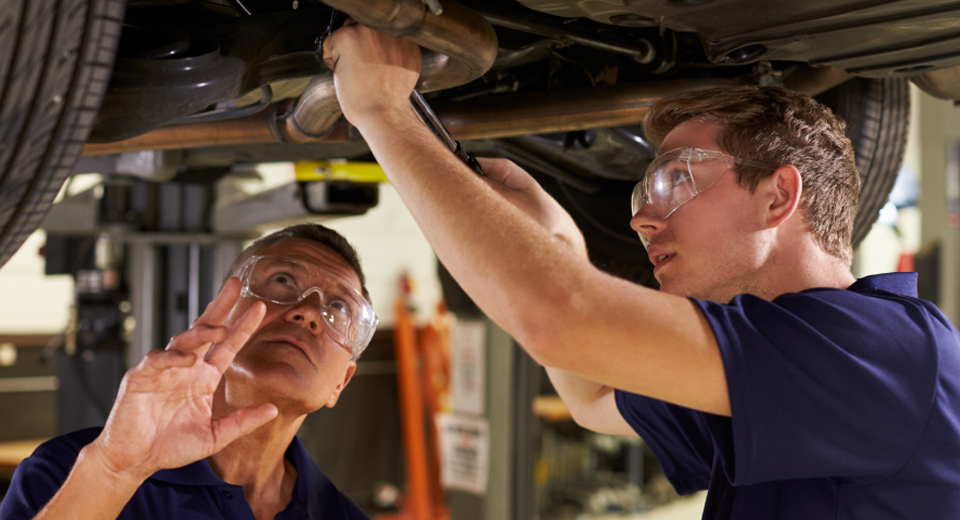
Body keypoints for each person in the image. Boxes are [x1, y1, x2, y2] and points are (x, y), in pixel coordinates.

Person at [321, 24, 960, 519]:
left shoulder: (886, 352)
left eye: (675, 180)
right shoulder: (787, 371)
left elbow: (560, 322)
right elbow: (594, 397)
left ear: (777, 197)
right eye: (645, 191)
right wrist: (557, 239)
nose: (640, 220)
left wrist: (383, 111)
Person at [0, 224, 378, 520]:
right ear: (217, 315)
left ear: (340, 383)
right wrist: (115, 471)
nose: (309, 311)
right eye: (283, 280)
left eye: (339, 307)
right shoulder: (68, 473)